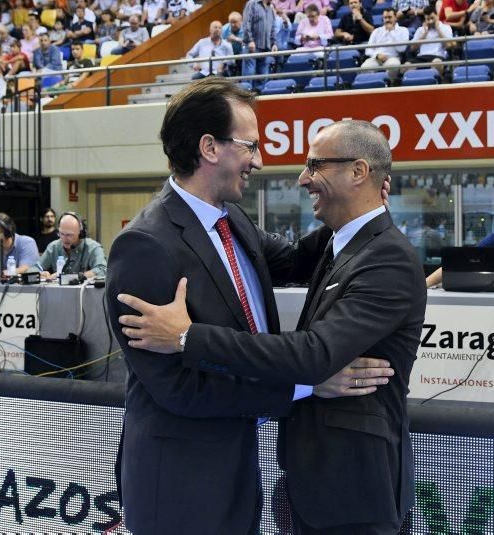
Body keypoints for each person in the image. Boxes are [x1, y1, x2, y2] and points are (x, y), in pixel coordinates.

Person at [105, 78, 394, 534]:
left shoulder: (231, 219)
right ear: (209, 147)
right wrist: (304, 387)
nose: (259, 161)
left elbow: (297, 258)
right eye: (250, 146)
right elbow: (177, 390)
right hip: (180, 486)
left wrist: (356, 200)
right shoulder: (145, 246)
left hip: (236, 472)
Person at [36, 212, 106, 280]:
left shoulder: (93, 247)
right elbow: (35, 268)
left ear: (80, 233)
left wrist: (73, 277)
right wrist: (40, 273)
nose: (65, 239)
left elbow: (102, 270)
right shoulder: (54, 246)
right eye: (62, 234)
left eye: (69, 235)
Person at [362, 7, 409, 80]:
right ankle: (372, 87)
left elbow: (401, 49)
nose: (387, 20)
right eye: (385, 18)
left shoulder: (403, 30)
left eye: (390, 17)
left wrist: (392, 32)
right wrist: (377, 55)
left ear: (395, 18)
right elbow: (368, 50)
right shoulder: (377, 31)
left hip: (393, 57)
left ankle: (390, 85)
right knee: (364, 67)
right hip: (376, 58)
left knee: (393, 65)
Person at [405, 5, 454, 76]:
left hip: (437, 56)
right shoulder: (420, 30)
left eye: (432, 18)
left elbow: (449, 46)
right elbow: (412, 48)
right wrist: (424, 34)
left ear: (437, 16)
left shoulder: (445, 28)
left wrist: (438, 30)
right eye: (428, 19)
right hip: (421, 57)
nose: (430, 21)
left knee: (437, 63)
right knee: (407, 65)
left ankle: (436, 83)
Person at [242, 0, 278, 91]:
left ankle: (259, 97)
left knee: (263, 76)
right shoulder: (252, 3)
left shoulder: (271, 8)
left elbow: (273, 27)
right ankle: (246, 97)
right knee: (249, 75)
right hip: (252, 46)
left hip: (266, 48)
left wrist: (274, 43)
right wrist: (249, 40)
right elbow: (247, 22)